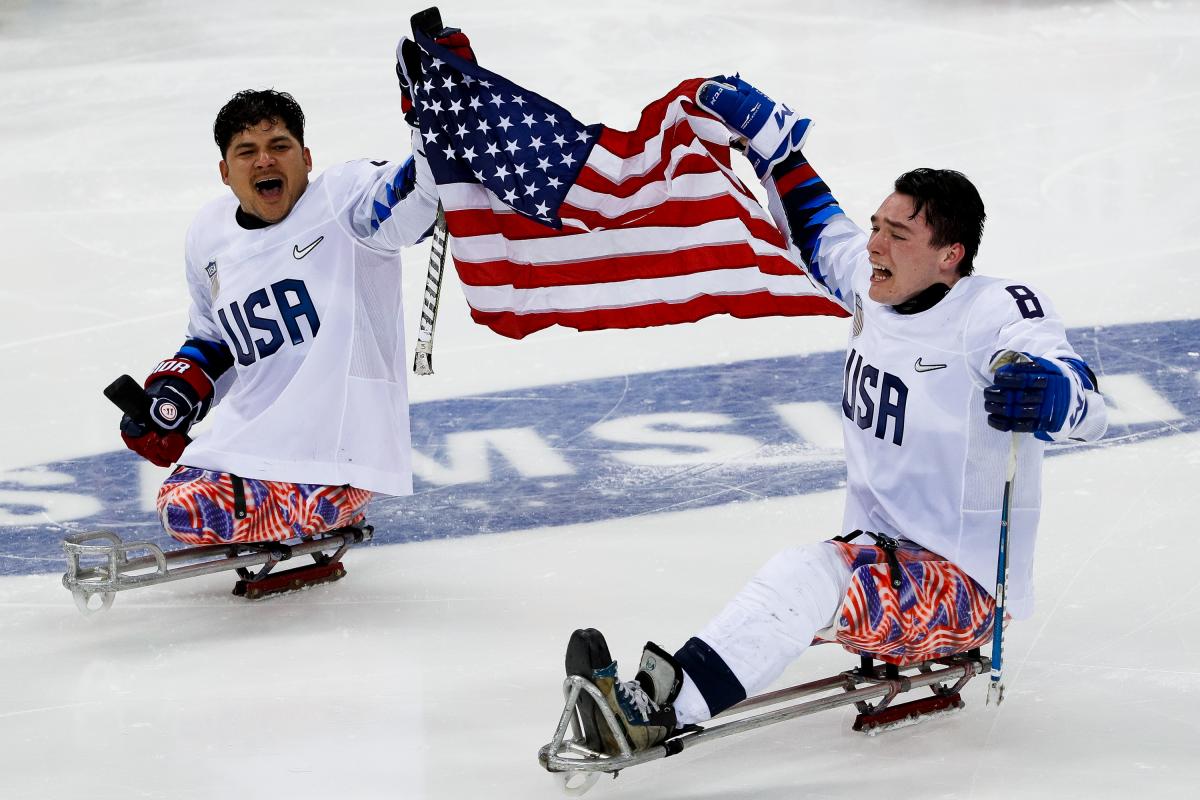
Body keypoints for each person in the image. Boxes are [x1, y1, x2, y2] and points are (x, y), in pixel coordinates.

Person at [567, 76, 1109, 754]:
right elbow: (819, 225)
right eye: (878, 225)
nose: (875, 244)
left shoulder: (994, 312)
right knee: (803, 582)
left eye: (898, 233)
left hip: (960, 589)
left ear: (951, 255)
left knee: (804, 575)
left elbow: (1087, 402)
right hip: (880, 559)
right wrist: (772, 150)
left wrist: (1053, 393)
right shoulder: (877, 281)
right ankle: (660, 698)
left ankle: (656, 714)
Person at [117, 82, 442, 546]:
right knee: (181, 500)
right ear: (226, 171)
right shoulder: (208, 235)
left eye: (279, 146)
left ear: (306, 158)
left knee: (191, 510)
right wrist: (169, 402)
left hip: (338, 452)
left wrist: (431, 121)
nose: (265, 160)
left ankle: (333, 502)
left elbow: (417, 200)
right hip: (256, 440)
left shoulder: (343, 202)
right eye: (247, 151)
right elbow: (216, 342)